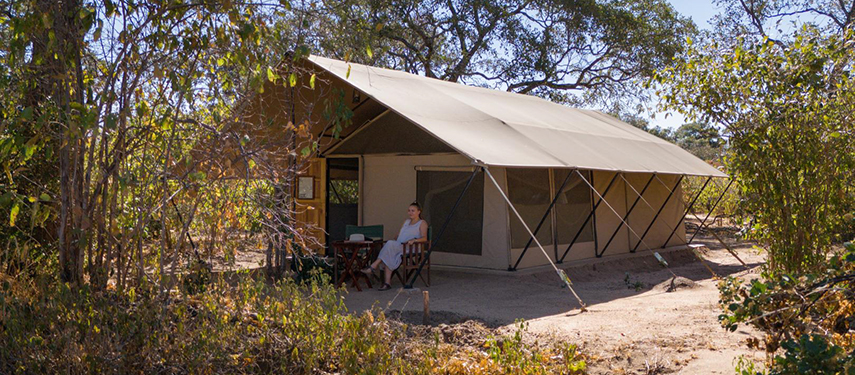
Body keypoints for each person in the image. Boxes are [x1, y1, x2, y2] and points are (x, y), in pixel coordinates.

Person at [362, 202, 428, 291]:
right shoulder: (406, 222)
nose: (410, 213)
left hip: (411, 247)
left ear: (419, 212)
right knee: (389, 252)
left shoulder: (422, 223)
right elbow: (400, 233)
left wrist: (414, 240)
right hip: (400, 246)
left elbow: (424, 238)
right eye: (409, 211)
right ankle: (387, 283)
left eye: (413, 211)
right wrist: (398, 236)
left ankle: (374, 266)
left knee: (389, 245)